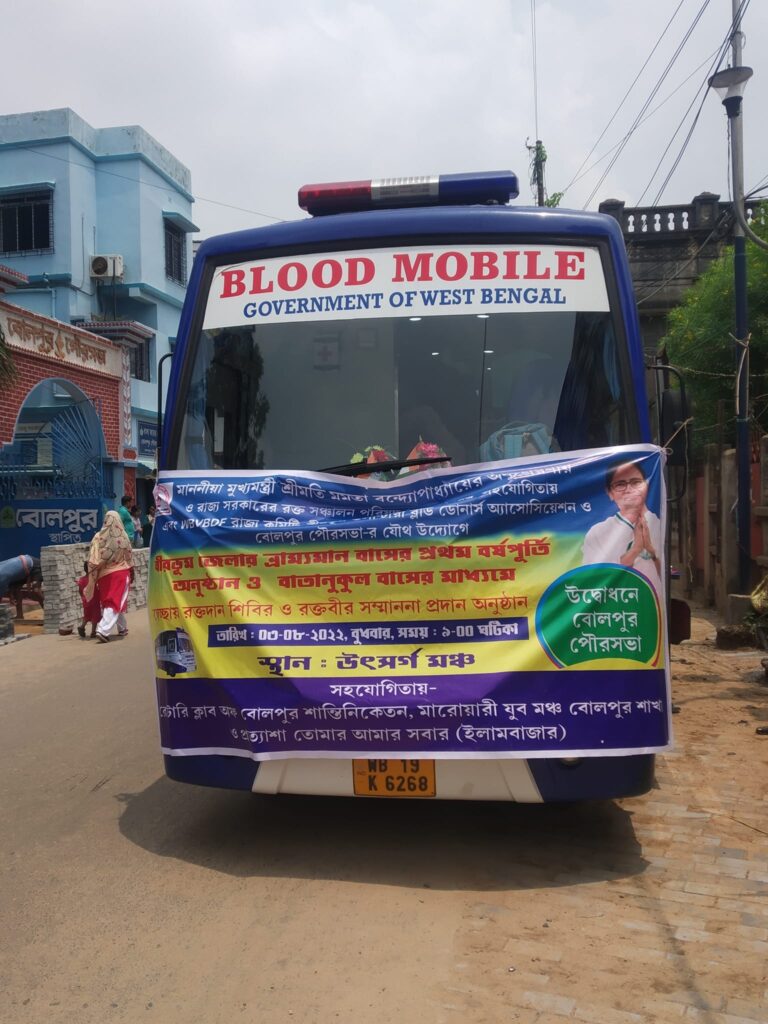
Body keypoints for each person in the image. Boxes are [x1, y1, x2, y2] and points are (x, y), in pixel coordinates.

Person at [582, 460, 662, 594]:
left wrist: (651, 551)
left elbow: (665, 578)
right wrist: (635, 549)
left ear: (646, 486)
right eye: (620, 484)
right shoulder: (597, 532)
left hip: (652, 602)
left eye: (636, 482)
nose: (629, 489)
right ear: (610, 492)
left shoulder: (659, 525)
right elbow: (593, 581)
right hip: (614, 603)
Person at [85, 510, 134, 643]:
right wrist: (132, 570)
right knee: (114, 602)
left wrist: (93, 574)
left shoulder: (98, 536)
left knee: (110, 601)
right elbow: (129, 555)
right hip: (120, 573)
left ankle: (122, 627)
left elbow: (92, 557)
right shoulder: (123, 535)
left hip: (103, 575)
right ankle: (103, 630)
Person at [76, 560, 100, 639]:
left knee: (87, 615)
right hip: (95, 600)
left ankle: (82, 627)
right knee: (95, 615)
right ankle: (93, 632)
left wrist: (83, 597)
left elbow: (80, 591)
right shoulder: (94, 579)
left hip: (86, 600)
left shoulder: (82, 579)